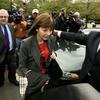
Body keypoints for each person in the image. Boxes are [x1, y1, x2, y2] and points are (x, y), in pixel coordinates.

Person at [19, 13, 64, 99]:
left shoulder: (51, 39)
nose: (48, 33)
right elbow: (22, 67)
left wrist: (54, 55)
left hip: (48, 81)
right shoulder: (26, 43)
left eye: (50, 30)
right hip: (34, 83)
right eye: (45, 30)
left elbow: (51, 52)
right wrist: (42, 79)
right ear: (37, 28)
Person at [0, 9, 19, 86]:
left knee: (13, 68)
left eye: (5, 17)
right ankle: (1, 80)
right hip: (1, 54)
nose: (3, 18)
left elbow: (13, 37)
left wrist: (15, 48)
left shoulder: (10, 26)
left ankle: (12, 79)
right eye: (1, 17)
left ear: (8, 17)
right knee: (1, 69)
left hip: (11, 52)